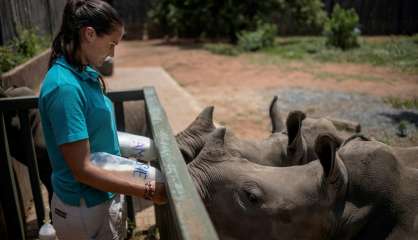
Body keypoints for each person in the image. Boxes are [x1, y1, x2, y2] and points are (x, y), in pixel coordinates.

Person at [38, 1, 167, 239]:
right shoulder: (64, 88)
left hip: (103, 197)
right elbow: (82, 170)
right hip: (84, 208)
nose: (112, 53)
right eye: (111, 44)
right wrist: (149, 190)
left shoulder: (84, 72)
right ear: (89, 33)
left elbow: (97, 135)